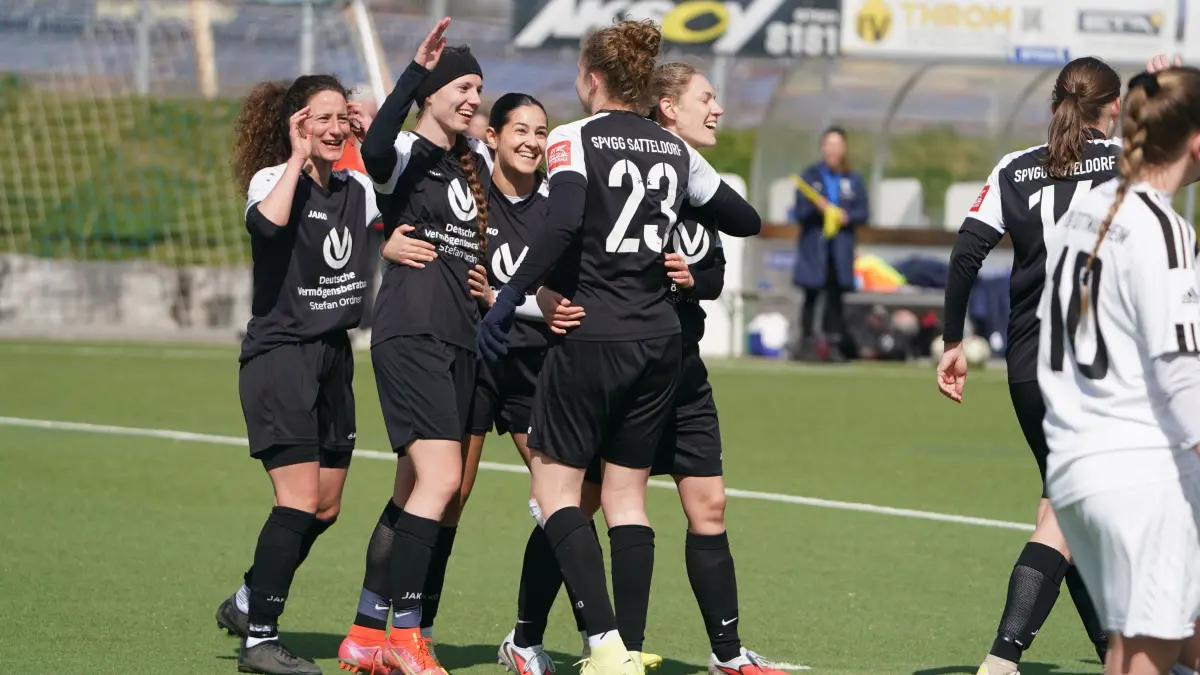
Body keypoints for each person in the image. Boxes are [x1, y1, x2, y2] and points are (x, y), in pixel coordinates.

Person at [476, 19, 761, 675]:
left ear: (593, 79)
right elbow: (744, 218)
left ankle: (603, 644)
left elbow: (564, 223)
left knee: (556, 493)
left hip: (590, 333)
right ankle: (626, 650)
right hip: (659, 342)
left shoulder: (573, 138)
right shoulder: (673, 148)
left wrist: (512, 295)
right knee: (628, 498)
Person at [936, 55, 1122, 675]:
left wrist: (952, 342)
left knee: (1068, 508)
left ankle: (1112, 652)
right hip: (1096, 368)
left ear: (1053, 108)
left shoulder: (1014, 168)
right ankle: (1003, 656)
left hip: (1026, 366)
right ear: (1113, 107)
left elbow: (966, 255)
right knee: (1069, 516)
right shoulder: (1127, 162)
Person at [336, 17, 492, 675]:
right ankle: (407, 637)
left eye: (478, 89)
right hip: (413, 330)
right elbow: (373, 149)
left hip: (459, 338)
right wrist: (412, 73)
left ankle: (365, 634)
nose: (471, 99)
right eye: (460, 86)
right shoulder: (404, 152)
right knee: (441, 479)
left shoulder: (471, 160)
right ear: (431, 91)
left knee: (412, 492)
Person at [1037, 65, 1200, 675]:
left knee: (1135, 645)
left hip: (1079, 471)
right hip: (1143, 474)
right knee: (1150, 653)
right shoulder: (1163, 229)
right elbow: (1184, 381)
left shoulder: (1093, 207)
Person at [215, 74, 379, 675]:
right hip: (281, 354)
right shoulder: (271, 181)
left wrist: (372, 128)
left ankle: (244, 600)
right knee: (298, 499)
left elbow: (396, 175)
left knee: (327, 507)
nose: (335, 128)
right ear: (298, 124)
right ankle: (261, 639)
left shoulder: (358, 186)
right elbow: (269, 226)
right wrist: (296, 157)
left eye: (343, 118)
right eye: (322, 118)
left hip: (334, 356)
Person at [791, 127, 868, 363]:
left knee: (835, 299)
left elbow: (863, 211)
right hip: (816, 248)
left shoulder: (852, 179)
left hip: (840, 248)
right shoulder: (810, 176)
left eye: (837, 145)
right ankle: (807, 344)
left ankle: (833, 345)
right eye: (828, 144)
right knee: (811, 297)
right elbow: (799, 211)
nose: (832, 150)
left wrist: (846, 216)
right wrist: (818, 208)